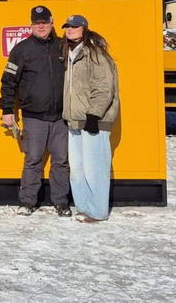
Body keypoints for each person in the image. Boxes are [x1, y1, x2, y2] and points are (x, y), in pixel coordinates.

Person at [0, 5, 71, 217]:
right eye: (37, 23)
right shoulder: (21, 50)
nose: (41, 26)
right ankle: (27, 201)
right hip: (33, 117)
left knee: (61, 161)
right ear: (31, 25)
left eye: (44, 22)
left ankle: (61, 201)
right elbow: (8, 82)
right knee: (33, 160)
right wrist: (7, 109)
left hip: (61, 117)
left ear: (52, 22)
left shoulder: (63, 46)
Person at [61, 15, 119, 223]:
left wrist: (94, 115)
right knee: (77, 169)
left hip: (93, 120)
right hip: (75, 120)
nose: (70, 29)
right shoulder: (69, 52)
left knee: (95, 168)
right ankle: (84, 207)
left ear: (84, 29)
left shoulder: (94, 53)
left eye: (74, 26)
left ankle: (98, 211)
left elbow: (104, 87)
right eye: (67, 26)